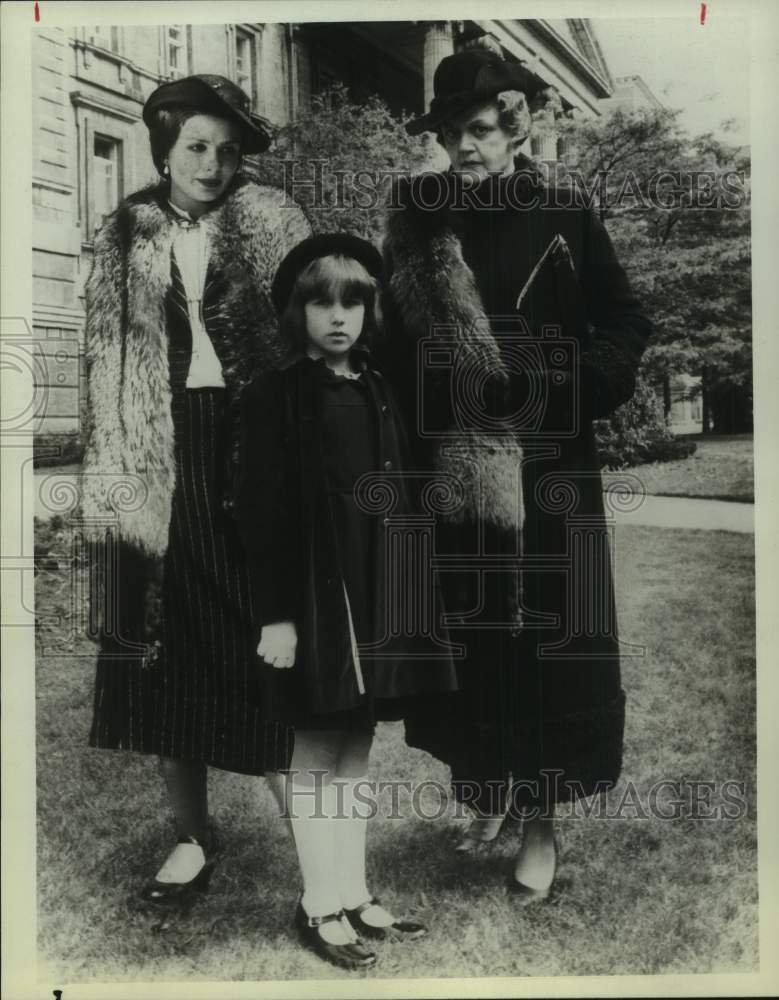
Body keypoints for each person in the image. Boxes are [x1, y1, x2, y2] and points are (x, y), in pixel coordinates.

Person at [381, 49, 653, 900]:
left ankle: (541, 826)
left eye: (474, 131)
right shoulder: (421, 221)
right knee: (477, 644)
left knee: (545, 650)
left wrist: (562, 385)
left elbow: (624, 322)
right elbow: (392, 341)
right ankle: (490, 792)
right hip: (455, 473)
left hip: (546, 472)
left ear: (515, 123)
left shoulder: (564, 211)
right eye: (447, 135)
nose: (460, 149)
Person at [80, 74, 311, 905]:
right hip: (156, 449)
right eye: (195, 148)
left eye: (226, 149)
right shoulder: (123, 235)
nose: (212, 164)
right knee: (165, 643)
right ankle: (191, 834)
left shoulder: (275, 224)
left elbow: (321, 340)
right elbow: (102, 369)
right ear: (165, 151)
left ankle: (322, 854)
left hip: (252, 442)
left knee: (263, 630)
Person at [236, 234, 457, 970]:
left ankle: (355, 891)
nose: (338, 318)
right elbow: (261, 513)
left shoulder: (378, 386)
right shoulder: (275, 396)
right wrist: (277, 615)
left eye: (353, 302)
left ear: (371, 310)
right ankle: (317, 902)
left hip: (376, 589)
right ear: (296, 311)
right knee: (314, 750)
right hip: (315, 595)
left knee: (356, 748)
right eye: (321, 302)